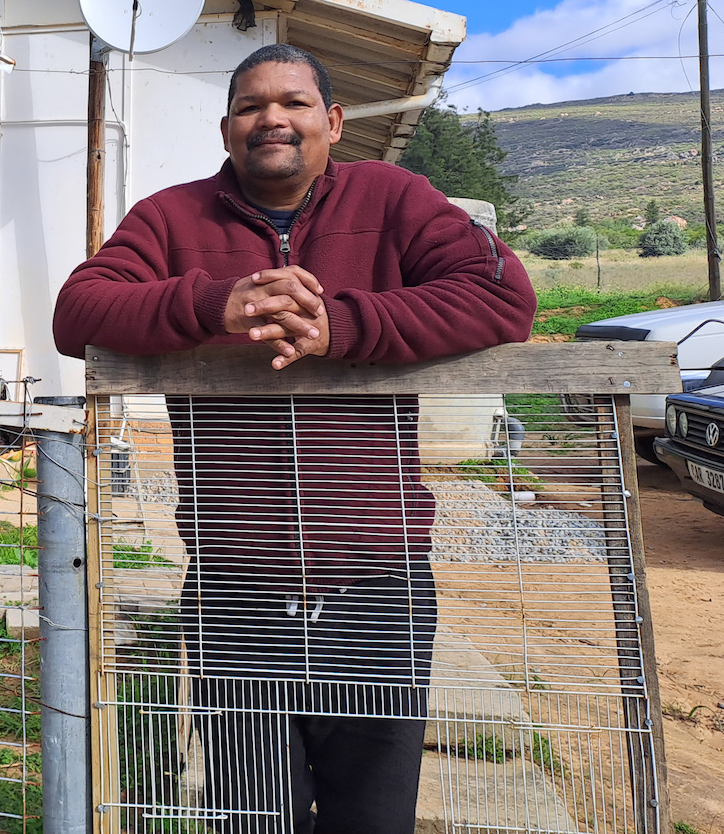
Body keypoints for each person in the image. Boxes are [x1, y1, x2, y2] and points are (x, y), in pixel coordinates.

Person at [53, 43, 537, 834]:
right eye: (250, 105)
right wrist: (214, 305)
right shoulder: (174, 218)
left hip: (380, 588)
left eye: (293, 102)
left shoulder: (395, 199)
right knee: (251, 817)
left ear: (333, 122)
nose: (270, 117)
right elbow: (79, 312)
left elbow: (502, 295)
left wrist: (343, 323)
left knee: (373, 818)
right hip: (235, 590)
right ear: (226, 128)